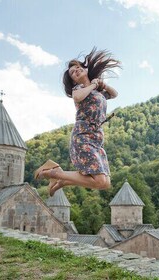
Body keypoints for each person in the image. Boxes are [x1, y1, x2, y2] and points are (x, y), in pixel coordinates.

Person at [34, 48, 121, 196]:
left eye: (79, 67)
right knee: (99, 181)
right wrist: (93, 85)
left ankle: (62, 180)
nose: (77, 70)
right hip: (83, 136)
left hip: (97, 139)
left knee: (105, 183)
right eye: (73, 72)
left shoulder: (98, 92)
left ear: (86, 70)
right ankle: (53, 173)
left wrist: (102, 85)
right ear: (74, 80)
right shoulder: (79, 88)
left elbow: (114, 94)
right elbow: (77, 98)